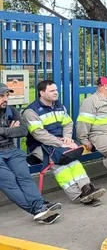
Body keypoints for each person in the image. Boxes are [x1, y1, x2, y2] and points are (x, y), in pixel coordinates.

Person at [23, 80, 106, 206]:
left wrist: (67, 138)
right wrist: (61, 143)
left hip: (60, 143)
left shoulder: (59, 106)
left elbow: (68, 123)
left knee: (73, 161)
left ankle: (86, 188)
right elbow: (39, 134)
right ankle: (78, 194)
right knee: (58, 164)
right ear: (42, 93)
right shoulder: (31, 111)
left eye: (56, 90)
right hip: (40, 146)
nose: (56, 93)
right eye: (52, 91)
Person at [0, 83, 62, 224]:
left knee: (24, 177)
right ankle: (37, 209)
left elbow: (23, 131)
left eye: (7, 95)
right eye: (2, 96)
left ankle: (39, 206)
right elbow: (15, 132)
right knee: (9, 181)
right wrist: (9, 131)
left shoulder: (11, 110)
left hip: (11, 150)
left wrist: (3, 132)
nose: (5, 99)